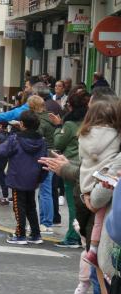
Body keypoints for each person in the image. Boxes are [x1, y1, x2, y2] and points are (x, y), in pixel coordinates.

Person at [0, 110, 47, 245]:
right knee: (31, 206)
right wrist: (40, 178)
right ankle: (35, 234)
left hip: (17, 177)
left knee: (18, 206)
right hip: (33, 178)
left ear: (21, 124)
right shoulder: (42, 141)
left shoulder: (15, 139)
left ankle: (20, 234)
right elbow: (44, 161)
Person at [77, 101, 121, 268]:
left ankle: (89, 246)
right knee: (100, 218)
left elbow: (81, 159)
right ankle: (93, 250)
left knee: (91, 216)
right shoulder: (115, 135)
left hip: (86, 180)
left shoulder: (83, 134)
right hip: (103, 179)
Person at [49, 91, 90, 248]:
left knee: (73, 204)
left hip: (70, 166)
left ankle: (73, 236)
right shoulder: (90, 122)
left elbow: (58, 143)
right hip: (86, 167)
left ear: (71, 106)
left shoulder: (70, 124)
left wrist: (59, 126)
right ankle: (83, 235)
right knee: (84, 203)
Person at [27, 95, 57, 235]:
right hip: (51, 155)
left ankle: (46, 223)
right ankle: (45, 221)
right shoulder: (48, 117)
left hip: (43, 156)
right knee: (46, 191)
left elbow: (35, 136)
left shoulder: (40, 121)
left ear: (32, 106)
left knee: (44, 191)